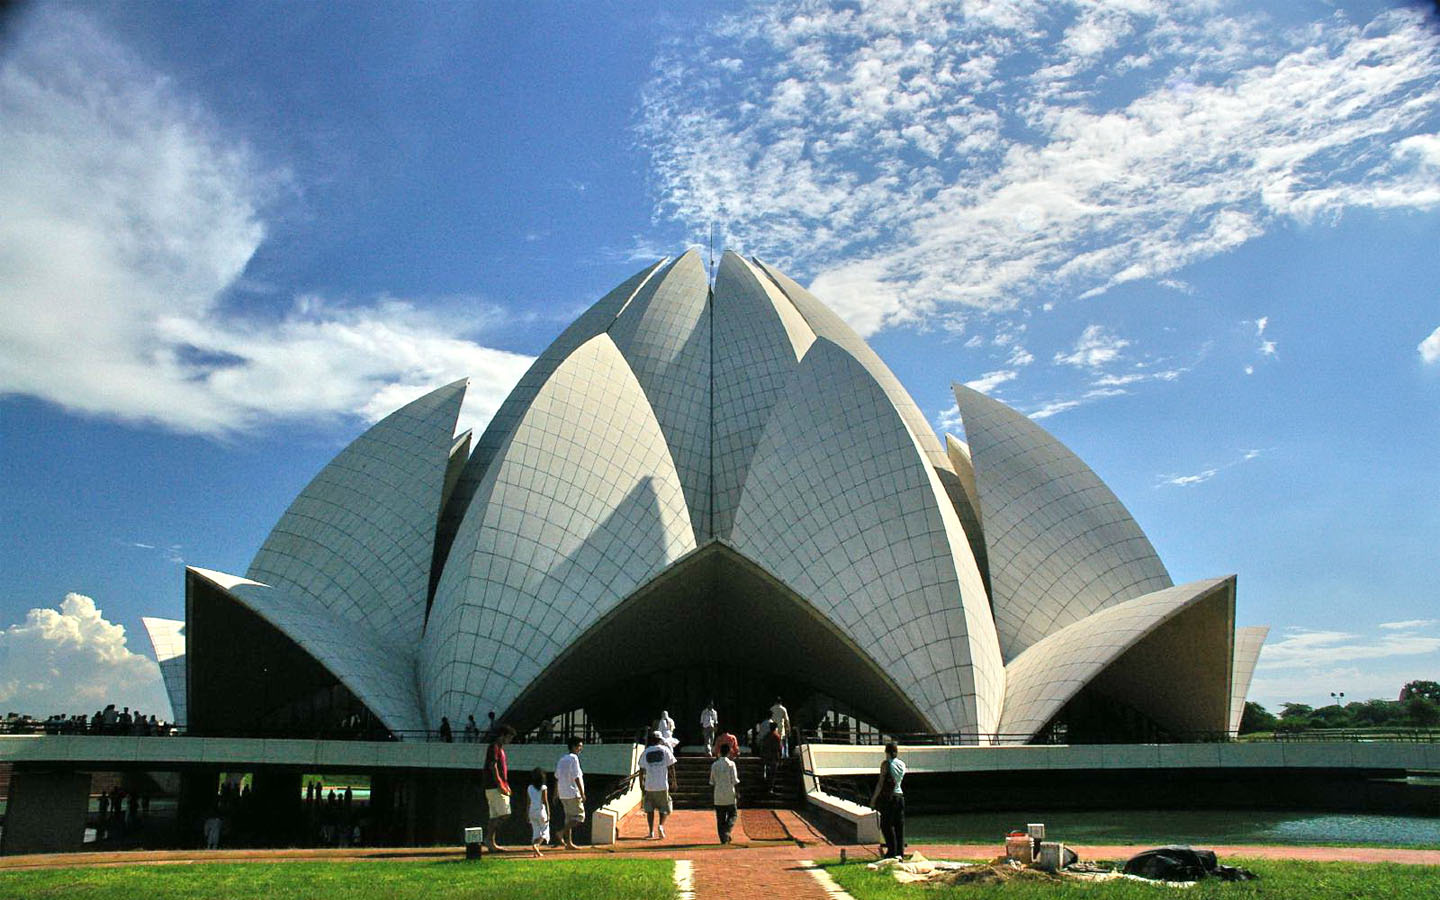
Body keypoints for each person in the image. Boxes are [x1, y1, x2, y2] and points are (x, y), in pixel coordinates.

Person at [869, 741, 907, 859]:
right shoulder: (902, 764)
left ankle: (891, 851)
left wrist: (873, 800)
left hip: (889, 797)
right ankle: (900, 853)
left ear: (887, 752)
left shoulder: (885, 764)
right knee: (898, 825)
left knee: (886, 825)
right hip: (900, 796)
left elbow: (880, 783)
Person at [483, 723, 516, 852]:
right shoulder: (494, 747)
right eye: (509, 737)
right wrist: (500, 784)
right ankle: (488, 838)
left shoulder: (499, 748)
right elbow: (493, 766)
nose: (510, 740)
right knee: (505, 813)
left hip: (496, 785)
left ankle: (491, 842)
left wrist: (505, 784)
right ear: (503, 735)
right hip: (494, 786)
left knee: (495, 815)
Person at [639, 731, 676, 840]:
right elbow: (671, 767)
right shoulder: (665, 750)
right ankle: (660, 826)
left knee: (649, 809)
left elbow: (641, 770)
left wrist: (641, 783)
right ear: (660, 740)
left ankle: (651, 832)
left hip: (649, 785)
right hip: (662, 784)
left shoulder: (646, 752)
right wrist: (674, 781)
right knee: (664, 808)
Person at [555, 737, 586, 849]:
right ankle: (561, 832)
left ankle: (569, 843)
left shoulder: (562, 759)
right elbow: (576, 776)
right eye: (579, 746)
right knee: (580, 817)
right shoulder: (574, 759)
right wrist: (582, 793)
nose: (580, 749)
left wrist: (556, 793)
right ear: (574, 747)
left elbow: (557, 777)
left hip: (563, 793)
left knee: (569, 818)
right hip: (573, 792)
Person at [709, 741, 740, 844]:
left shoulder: (714, 765)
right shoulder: (731, 764)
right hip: (729, 794)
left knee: (720, 818)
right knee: (733, 814)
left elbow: (712, 781)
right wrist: (738, 792)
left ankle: (723, 837)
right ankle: (726, 831)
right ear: (728, 752)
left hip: (718, 794)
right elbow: (735, 780)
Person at [527, 768, 549, 857]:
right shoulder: (543, 788)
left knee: (536, 831)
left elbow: (528, 802)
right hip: (541, 811)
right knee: (545, 831)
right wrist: (548, 813)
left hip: (532, 811)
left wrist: (527, 814)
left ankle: (536, 852)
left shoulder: (529, 788)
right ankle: (536, 845)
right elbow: (545, 801)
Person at [760, 719, 782, 787]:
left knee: (767, 771)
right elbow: (779, 747)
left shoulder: (766, 736)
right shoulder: (777, 736)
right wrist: (780, 756)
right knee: (773, 773)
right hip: (773, 756)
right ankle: (770, 786)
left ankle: (767, 784)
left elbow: (763, 745)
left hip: (767, 755)